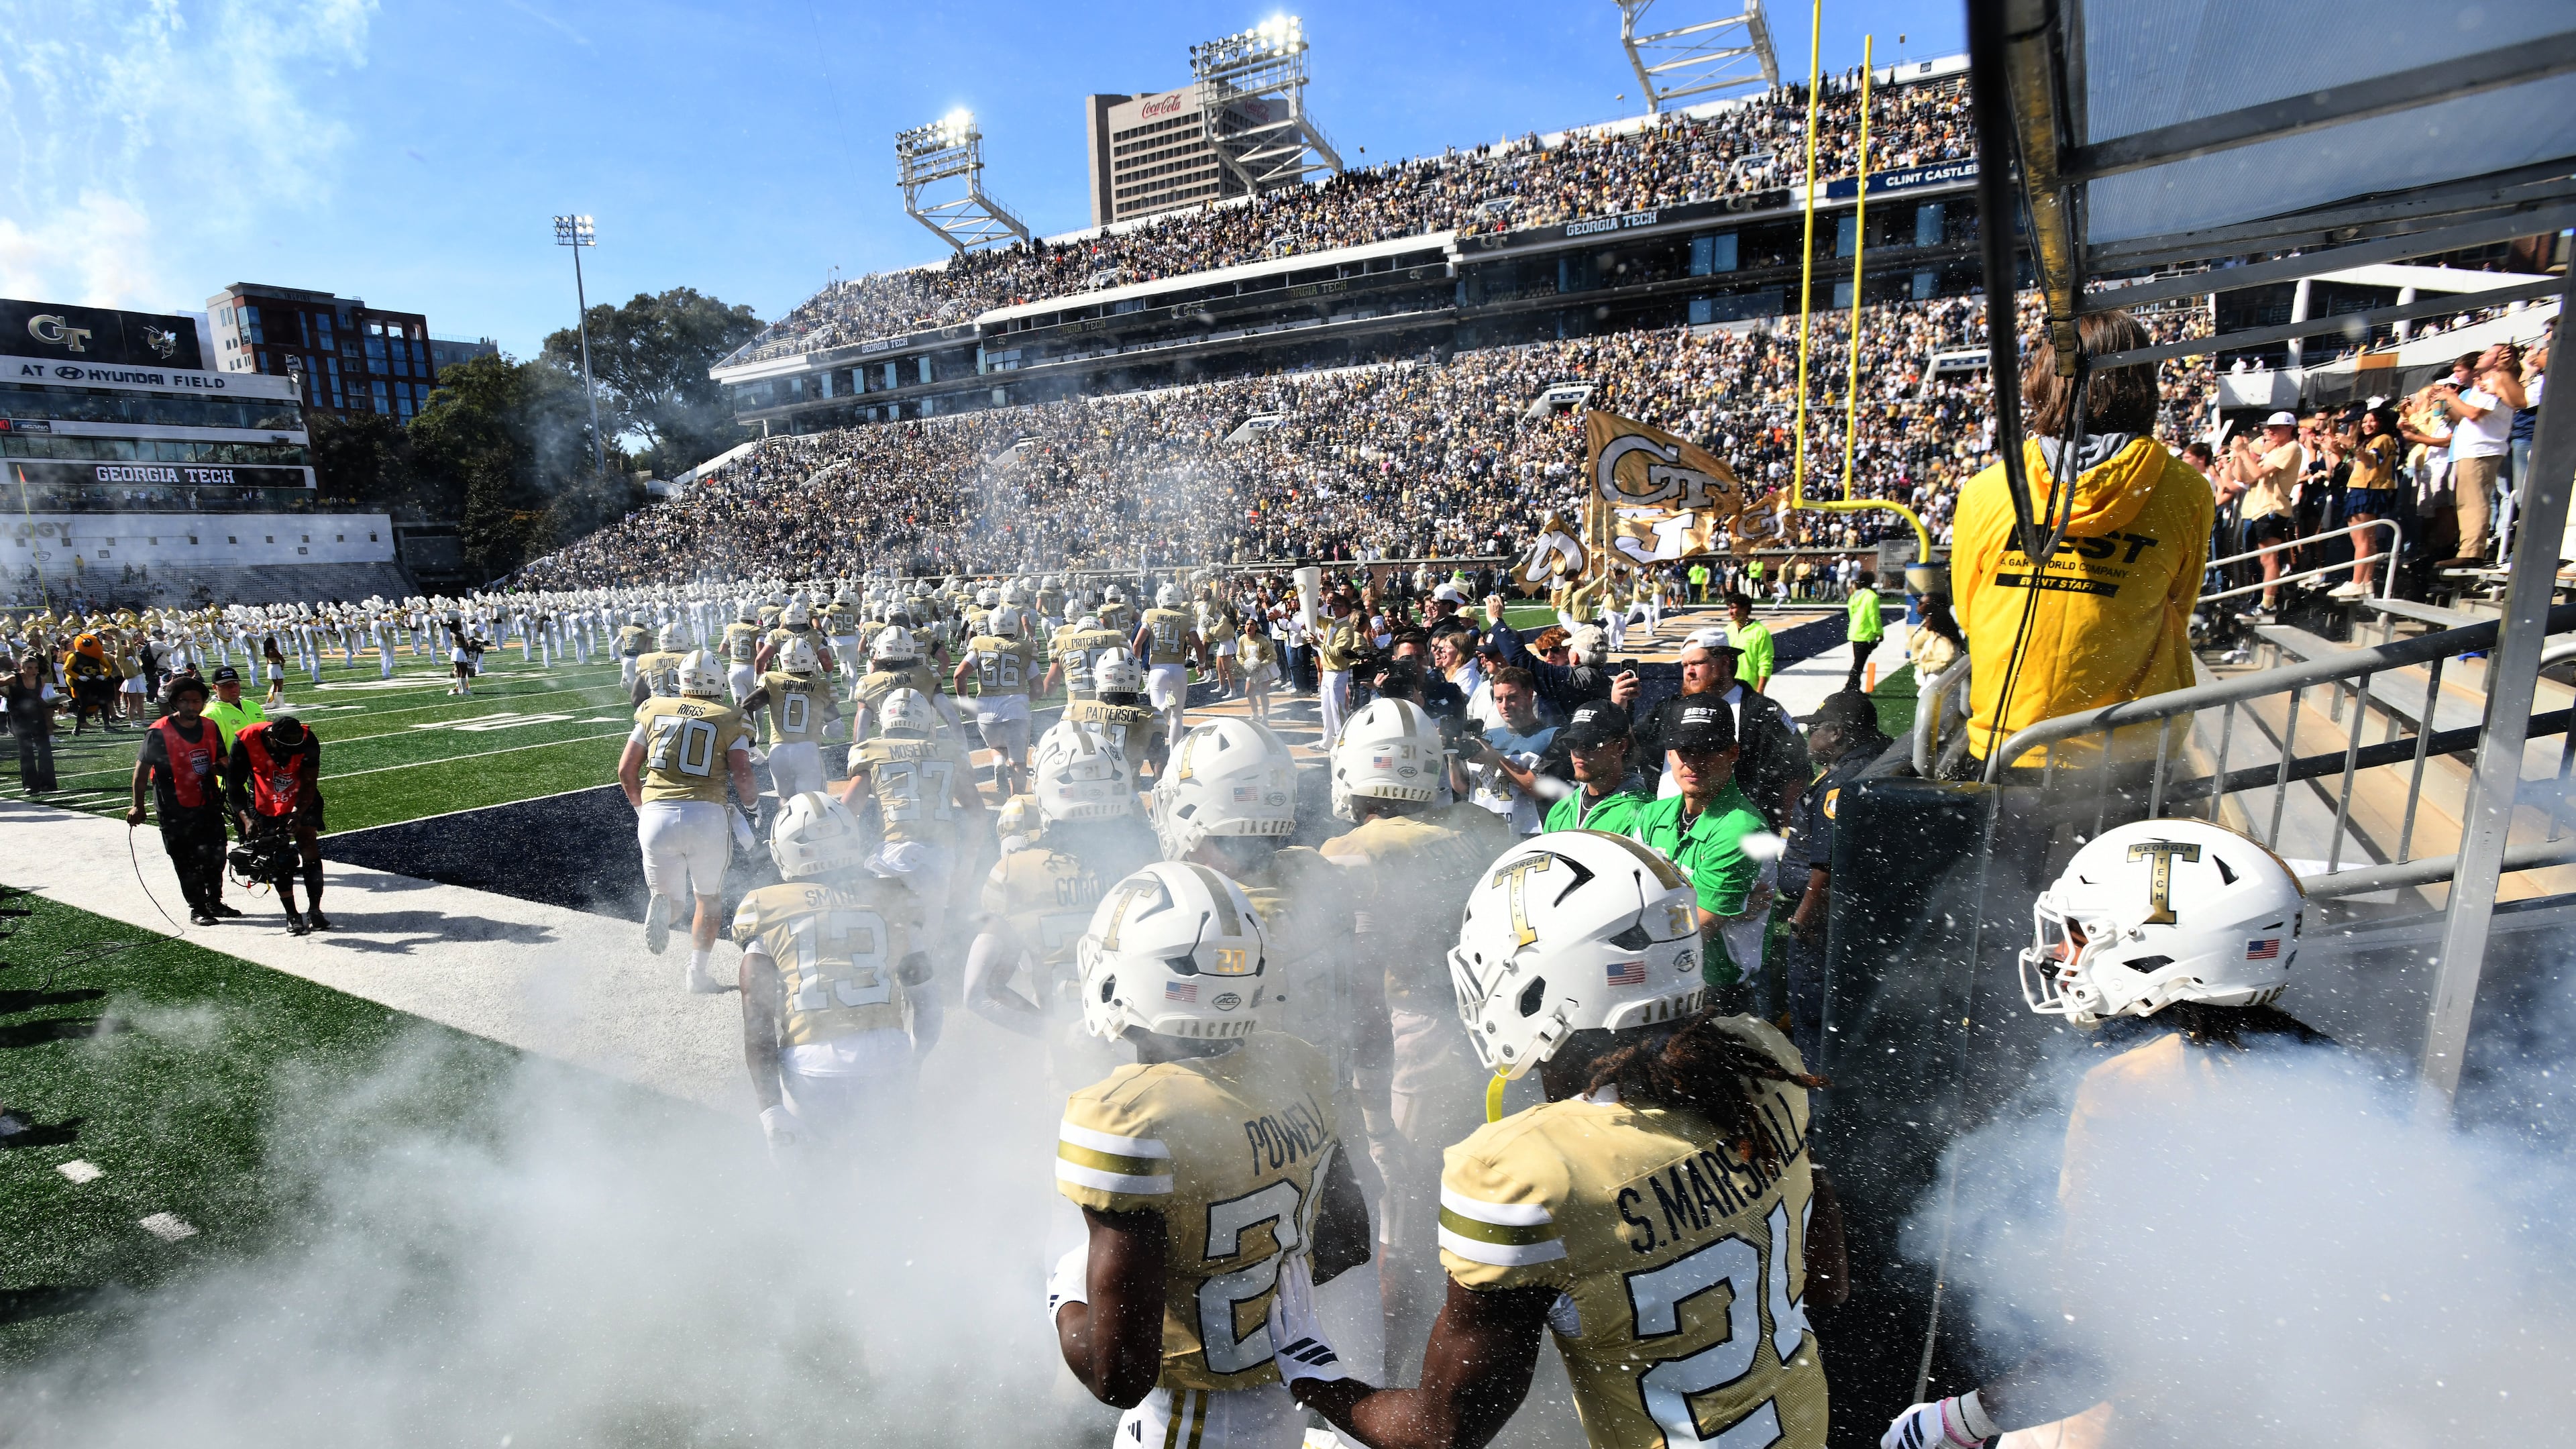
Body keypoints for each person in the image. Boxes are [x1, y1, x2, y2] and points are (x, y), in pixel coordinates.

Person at [1272, 829, 1841, 1449]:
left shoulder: (1522, 1168)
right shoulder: (1763, 1065)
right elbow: (1827, 1283)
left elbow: (1443, 1432)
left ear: (1540, 982)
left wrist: (1315, 1375)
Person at [1882, 818, 2318, 1449]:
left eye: (2083, 931)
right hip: (2282, 1405)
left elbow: (2105, 1344)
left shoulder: (2131, 1088)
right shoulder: (2335, 1070)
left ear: (2157, 946)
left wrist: (1957, 1423)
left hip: (2145, 1415)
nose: (2061, 951)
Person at [1049, 861, 1373, 1449]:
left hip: (1192, 1419)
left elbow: (1117, 1376)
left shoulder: (1129, 1116)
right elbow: (1349, 1239)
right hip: (1280, 1401)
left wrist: (1063, 1298)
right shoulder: (1296, 1065)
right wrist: (1253, 1297)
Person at [1318, 697, 1513, 1374]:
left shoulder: (1353, 853)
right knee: (1477, 1203)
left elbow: (1363, 986)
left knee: (1396, 1223)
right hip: (1494, 1037)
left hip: (1414, 1040)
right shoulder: (1484, 827)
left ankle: (1394, 1379)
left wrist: (1365, 1092)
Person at [1952, 309, 2212, 773]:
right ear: (2140, 381)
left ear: (2047, 379)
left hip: (2010, 739)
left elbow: (1971, 613)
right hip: (2127, 746)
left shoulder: (1988, 490)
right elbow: (2178, 603)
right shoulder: (2186, 491)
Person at [737, 790, 939, 1156]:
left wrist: (770, 1109)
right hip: (888, 1055)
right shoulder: (894, 896)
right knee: (892, 1171)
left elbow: (758, 1018)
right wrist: (915, 1059)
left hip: (813, 1067)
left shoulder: (765, 906)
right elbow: (927, 1002)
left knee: (814, 1176)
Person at [963, 718, 1159, 1044]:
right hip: (1153, 1054)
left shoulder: (1015, 873)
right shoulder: (1152, 862)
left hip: (1073, 1064)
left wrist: (1059, 1034)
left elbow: (978, 994)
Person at [619, 649, 761, 994]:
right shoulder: (730, 716)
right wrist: (754, 808)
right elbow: (742, 773)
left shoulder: (654, 708)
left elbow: (626, 771)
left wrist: (643, 810)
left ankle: (664, 910)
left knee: (673, 900)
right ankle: (696, 974)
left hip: (655, 816)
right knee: (708, 899)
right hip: (707, 815)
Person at [1629, 699, 1775, 1000]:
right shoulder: (1651, 814)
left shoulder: (1743, 830)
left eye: (1707, 750)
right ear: (1670, 754)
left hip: (1716, 992)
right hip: (1663, 978)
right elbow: (1628, 896)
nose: (1693, 762)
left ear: (1733, 753)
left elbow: (1693, 932)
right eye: (1684, 750)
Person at [1778, 691, 1896, 1061]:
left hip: (1827, 923)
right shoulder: (1879, 761)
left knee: (1815, 1019)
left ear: (1837, 734)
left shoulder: (1840, 783)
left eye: (1813, 728)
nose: (1807, 736)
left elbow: (1826, 864)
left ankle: (1820, 1108)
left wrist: (1805, 916)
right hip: (1864, 917)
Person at [841, 686, 986, 926]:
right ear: (928, 722)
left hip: (890, 857)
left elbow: (845, 813)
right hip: (938, 858)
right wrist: (968, 863)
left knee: (890, 933)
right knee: (928, 938)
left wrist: (850, 861)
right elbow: (977, 812)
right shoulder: (948, 752)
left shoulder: (872, 753)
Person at [1633, 633, 1806, 830]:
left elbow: (1796, 772)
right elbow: (1629, 751)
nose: (1689, 672)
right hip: (1665, 828)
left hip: (1735, 829)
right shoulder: (1667, 708)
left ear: (1724, 662)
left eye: (1697, 664)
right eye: (1685, 665)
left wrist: (1786, 832)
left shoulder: (1762, 711)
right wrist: (1620, 707)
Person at [127, 675, 235, 926]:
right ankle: (197, 907)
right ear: (175, 703)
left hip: (207, 801)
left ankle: (214, 901)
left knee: (217, 855)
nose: (191, 706)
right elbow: (141, 771)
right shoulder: (159, 731)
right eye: (184, 701)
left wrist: (227, 769)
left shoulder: (209, 726)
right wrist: (138, 805)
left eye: (196, 701)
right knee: (186, 859)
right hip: (174, 806)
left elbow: (220, 760)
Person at [227, 702, 329, 934]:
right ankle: (292, 915)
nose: (289, 754)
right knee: (278, 855)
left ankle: (315, 909)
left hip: (301, 794)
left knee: (309, 848)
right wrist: (246, 819)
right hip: (264, 797)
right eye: (285, 748)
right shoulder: (245, 740)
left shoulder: (307, 739)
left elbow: (310, 781)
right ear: (272, 738)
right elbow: (234, 786)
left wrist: (299, 813)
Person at [2430, 343, 2519, 564]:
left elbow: (2473, 414)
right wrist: (2446, 401)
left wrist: (2450, 396)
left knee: (2474, 501)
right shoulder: (2482, 385)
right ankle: (2467, 549)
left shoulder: (2495, 381)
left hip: (2482, 449)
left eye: (2489, 353)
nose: (2481, 356)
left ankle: (2471, 553)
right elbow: (2465, 419)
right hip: (2471, 448)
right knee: (2465, 502)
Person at [1457, 666, 1556, 837]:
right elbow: (1462, 787)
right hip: (1483, 835)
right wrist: (1452, 754)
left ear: (1529, 695)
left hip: (1526, 836)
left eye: (1512, 698)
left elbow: (1542, 791)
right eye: (1499, 699)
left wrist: (1497, 760)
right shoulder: (1488, 736)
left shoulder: (1551, 736)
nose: (1505, 706)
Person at [741, 635, 838, 806]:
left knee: (785, 802)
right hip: (807, 750)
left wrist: (750, 743)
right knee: (814, 802)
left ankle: (783, 833)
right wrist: (825, 730)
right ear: (811, 661)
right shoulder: (821, 686)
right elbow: (838, 729)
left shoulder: (772, 680)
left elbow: (746, 706)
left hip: (778, 751)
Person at [2222, 412, 2302, 619]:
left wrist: (2243, 452)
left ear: (2289, 429)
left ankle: (2268, 604)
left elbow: (2256, 474)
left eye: (2276, 428)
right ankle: (2258, 600)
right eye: (2269, 427)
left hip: (2273, 508)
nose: (2271, 431)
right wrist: (2240, 455)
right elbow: (2243, 477)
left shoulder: (2291, 448)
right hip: (2256, 509)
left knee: (2268, 558)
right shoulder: (2273, 449)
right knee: (2256, 562)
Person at [955, 608, 1037, 798]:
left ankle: (999, 762)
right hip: (1016, 711)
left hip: (986, 712)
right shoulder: (1024, 647)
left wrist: (964, 703)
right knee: (1018, 763)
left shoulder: (979, 643)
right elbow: (1038, 688)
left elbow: (959, 675)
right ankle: (1016, 802)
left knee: (997, 747)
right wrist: (1025, 700)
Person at [1542, 700, 1650, 834]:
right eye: (1572, 743)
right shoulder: (1561, 809)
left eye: (1590, 743)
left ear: (1621, 746)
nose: (1579, 752)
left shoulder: (1645, 811)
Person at [1065, 649, 1171, 778]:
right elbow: (1159, 768)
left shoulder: (1075, 710)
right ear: (1136, 679)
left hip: (1083, 790)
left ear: (1100, 677)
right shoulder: (1151, 717)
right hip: (1127, 794)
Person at [2335, 406, 2404, 598]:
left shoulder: (2384, 439)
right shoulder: (2376, 440)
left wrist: (2351, 445)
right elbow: (2359, 464)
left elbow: (2372, 461)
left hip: (2367, 490)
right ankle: (2366, 582)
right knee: (2366, 540)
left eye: (2372, 421)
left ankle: (2357, 582)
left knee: (2363, 540)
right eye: (2364, 422)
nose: (2367, 425)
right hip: (2362, 488)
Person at [1136, 583, 1199, 747]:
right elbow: (1197, 644)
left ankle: (1165, 705)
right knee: (1178, 715)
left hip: (1157, 669)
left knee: (1158, 716)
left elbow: (1137, 644)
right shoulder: (1187, 616)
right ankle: (1175, 753)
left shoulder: (1150, 614)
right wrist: (1204, 663)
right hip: (1178, 668)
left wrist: (1136, 665)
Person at [4, 653, 61, 794]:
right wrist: (7, 696)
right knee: (26, 750)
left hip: (36, 716)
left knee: (45, 748)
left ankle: (47, 784)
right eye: (29, 668)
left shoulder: (40, 680)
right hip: (19, 718)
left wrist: (53, 704)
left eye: (35, 668)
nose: (33, 671)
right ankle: (30, 785)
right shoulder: (13, 678)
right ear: (22, 668)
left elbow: (38, 699)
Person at [1313, 592, 1362, 750]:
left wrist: (1319, 644)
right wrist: (1313, 605)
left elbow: (1338, 651)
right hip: (1328, 672)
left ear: (1347, 609)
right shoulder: (1334, 622)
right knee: (1326, 710)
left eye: (1339, 605)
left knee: (1338, 711)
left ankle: (1343, 742)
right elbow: (1319, 620)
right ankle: (1327, 741)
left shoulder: (1346, 628)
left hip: (1337, 673)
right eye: (1333, 605)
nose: (1335, 608)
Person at [201, 665, 267, 750]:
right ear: (215, 688)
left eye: (235, 684)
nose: (232, 688)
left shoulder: (253, 706)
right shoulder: (211, 714)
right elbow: (214, 750)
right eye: (225, 685)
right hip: (236, 762)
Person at [1843, 568, 1884, 693]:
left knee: (1858, 662)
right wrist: (1879, 632)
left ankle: (1854, 686)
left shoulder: (1854, 596)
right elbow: (1874, 616)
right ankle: (1850, 687)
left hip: (1855, 631)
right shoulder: (1871, 597)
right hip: (1866, 633)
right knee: (1859, 664)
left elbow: (1852, 613)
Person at [1726, 592, 1775, 694]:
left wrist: (1760, 690)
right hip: (1728, 687)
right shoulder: (1727, 631)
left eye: (1733, 608)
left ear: (1745, 608)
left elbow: (1765, 663)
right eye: (1729, 608)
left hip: (1750, 688)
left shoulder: (1760, 632)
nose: (1730, 612)